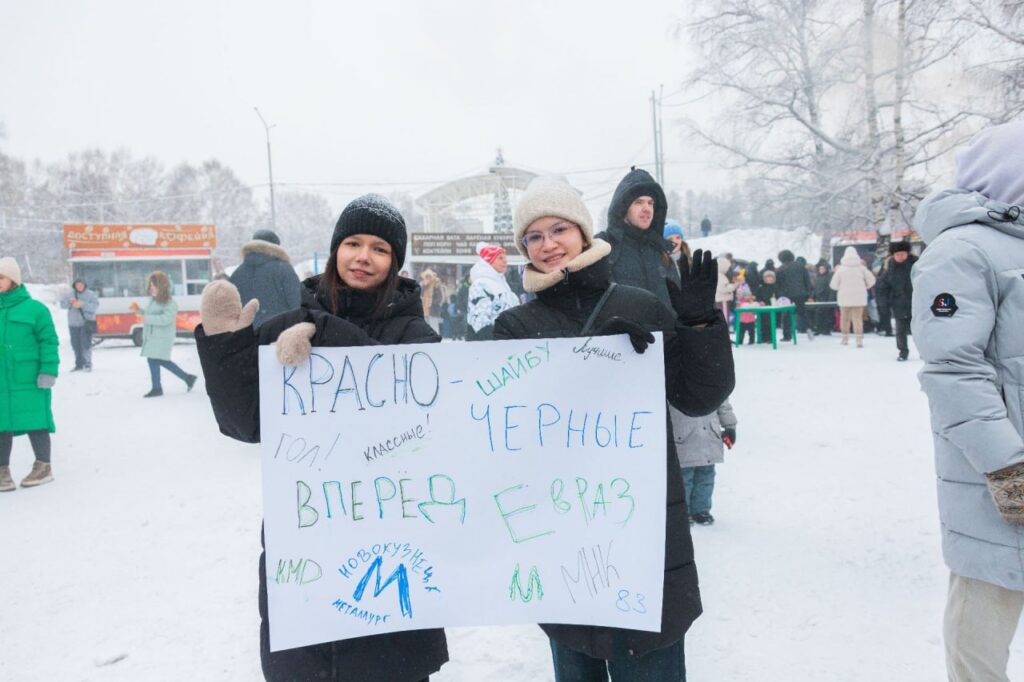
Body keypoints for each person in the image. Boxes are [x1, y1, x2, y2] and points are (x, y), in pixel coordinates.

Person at [194, 193, 448, 682]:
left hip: (390, 550)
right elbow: (243, 423)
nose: (363, 256)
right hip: (304, 541)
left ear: (395, 262)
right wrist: (227, 349)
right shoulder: (290, 321)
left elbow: (422, 429)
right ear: (335, 251)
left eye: (379, 248)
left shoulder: (417, 335)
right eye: (352, 243)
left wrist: (333, 338)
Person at [494, 174, 735, 682]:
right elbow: (498, 426)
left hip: (642, 521)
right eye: (533, 236)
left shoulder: (639, 305)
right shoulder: (515, 328)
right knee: (575, 657)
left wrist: (697, 325)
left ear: (583, 232)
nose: (548, 244)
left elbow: (699, 397)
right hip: (562, 526)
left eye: (558, 228)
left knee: (652, 662)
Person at [911, 120, 1024, 682]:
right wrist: (1007, 464)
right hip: (997, 473)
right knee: (986, 612)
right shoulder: (960, 251)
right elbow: (953, 368)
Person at [0, 257, 58, 491]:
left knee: (37, 421)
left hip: (28, 377)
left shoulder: (35, 310)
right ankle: (2, 470)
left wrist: (48, 370)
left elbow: (48, 341)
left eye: (0, 277)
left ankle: (43, 466)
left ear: (13, 280)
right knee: (1, 424)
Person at [597, 167, 679, 309]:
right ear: (624, 208)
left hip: (666, 331)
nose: (647, 208)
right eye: (639, 202)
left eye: (650, 203)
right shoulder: (604, 247)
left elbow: (679, 305)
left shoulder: (661, 252)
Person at [673, 399, 737, 526]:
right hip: (683, 435)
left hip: (709, 436)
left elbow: (722, 404)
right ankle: (683, 511)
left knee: (706, 477)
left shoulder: (712, 383)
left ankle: (701, 510)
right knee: (684, 479)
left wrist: (730, 427)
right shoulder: (675, 382)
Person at [229, 228, 301, 329]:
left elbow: (230, 309)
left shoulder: (237, 273)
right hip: (278, 333)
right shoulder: (284, 269)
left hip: (246, 335)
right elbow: (297, 304)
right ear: (277, 247)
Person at [140, 271, 197, 397]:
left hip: (162, 337)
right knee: (160, 360)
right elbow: (151, 313)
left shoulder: (170, 302)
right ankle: (187, 378)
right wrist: (140, 311)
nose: (151, 289)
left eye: (154, 286)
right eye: (150, 286)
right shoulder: (153, 301)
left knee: (154, 360)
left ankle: (157, 388)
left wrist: (147, 317)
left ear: (162, 286)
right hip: (154, 337)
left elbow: (166, 319)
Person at [466, 241, 518, 340]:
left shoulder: (503, 283)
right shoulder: (481, 284)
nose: (505, 261)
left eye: (505, 258)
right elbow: (480, 322)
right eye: (500, 258)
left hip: (507, 340)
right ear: (489, 261)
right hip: (493, 344)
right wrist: (496, 341)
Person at [874, 240, 917, 361]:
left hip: (916, 303)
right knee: (900, 331)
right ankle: (903, 352)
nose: (900, 257)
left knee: (919, 330)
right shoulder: (888, 267)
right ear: (893, 255)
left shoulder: (916, 264)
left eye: (903, 254)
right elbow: (881, 287)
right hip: (898, 304)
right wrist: (883, 304)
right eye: (897, 254)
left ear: (907, 253)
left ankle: (925, 351)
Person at [829, 247, 876, 348]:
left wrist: (841, 288)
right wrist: (865, 287)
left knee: (844, 319)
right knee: (857, 319)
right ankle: (859, 340)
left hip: (844, 298)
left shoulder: (841, 269)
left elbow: (833, 285)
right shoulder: (862, 268)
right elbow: (872, 280)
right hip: (859, 298)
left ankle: (845, 339)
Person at [61, 277, 99, 371]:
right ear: (74, 285)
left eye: (81, 285)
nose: (79, 286)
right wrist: (70, 303)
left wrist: (83, 305)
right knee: (75, 345)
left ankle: (88, 364)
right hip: (73, 324)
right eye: (77, 285)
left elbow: (95, 306)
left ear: (84, 285)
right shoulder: (70, 294)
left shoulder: (91, 294)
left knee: (86, 344)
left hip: (86, 323)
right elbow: (62, 305)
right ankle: (79, 364)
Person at [775, 250, 810, 338]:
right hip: (801, 293)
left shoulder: (780, 269)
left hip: (787, 295)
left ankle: (787, 335)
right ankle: (808, 330)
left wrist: (779, 296)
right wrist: (807, 293)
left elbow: (778, 284)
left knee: (786, 315)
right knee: (802, 313)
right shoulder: (800, 266)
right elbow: (807, 280)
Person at [809, 259, 835, 336]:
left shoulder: (828, 277)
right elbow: (815, 288)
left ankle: (826, 329)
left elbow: (831, 289)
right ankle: (819, 329)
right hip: (818, 298)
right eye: (820, 269)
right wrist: (813, 296)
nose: (821, 270)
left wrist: (830, 299)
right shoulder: (818, 277)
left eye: (823, 269)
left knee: (827, 314)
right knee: (818, 314)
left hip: (826, 298)